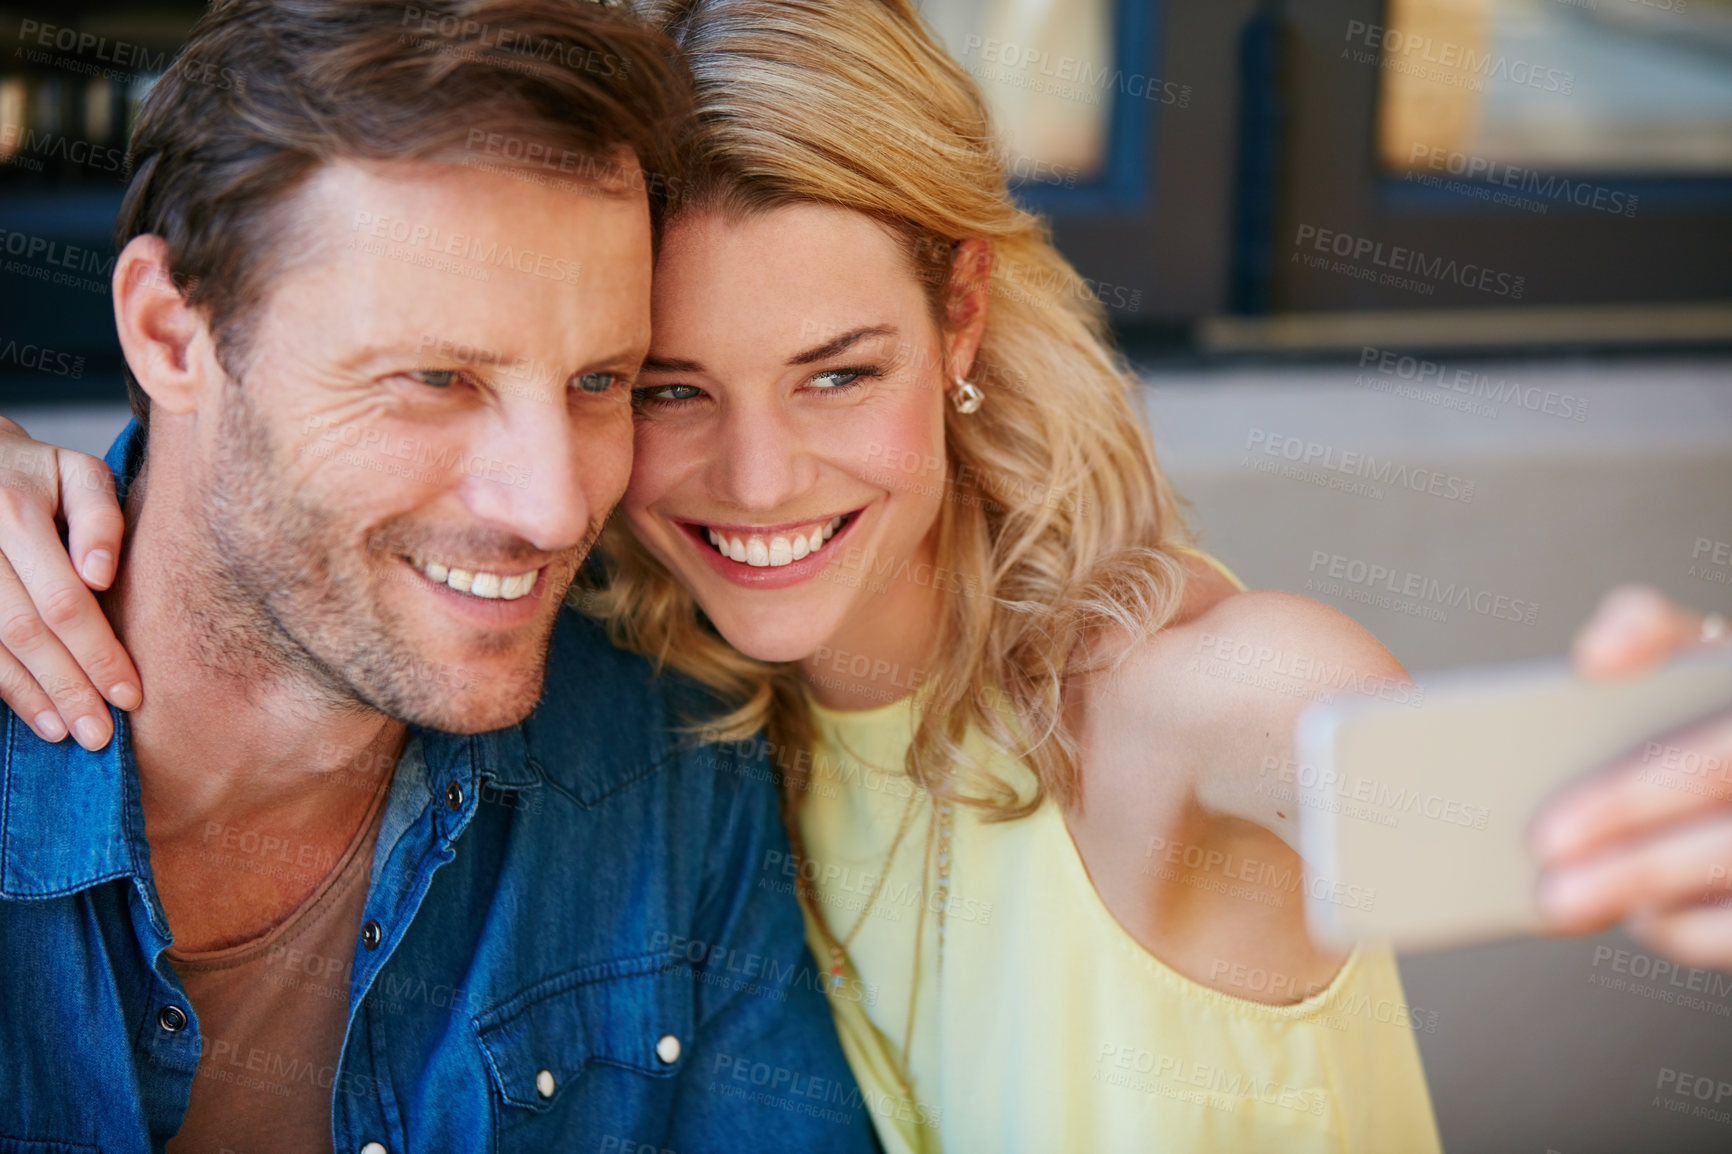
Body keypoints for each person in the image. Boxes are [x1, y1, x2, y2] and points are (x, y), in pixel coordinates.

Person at [6, 0, 1725, 1150]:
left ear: (958, 315)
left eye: (838, 369)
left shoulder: (1170, 705)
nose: (756, 479)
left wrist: (1637, 784)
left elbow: (1381, 769)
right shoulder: (648, 674)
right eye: (667, 388)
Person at [0, 2, 881, 1152]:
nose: (555, 503)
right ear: (172, 335)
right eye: (435, 377)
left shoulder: (662, 765)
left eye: (601, 380)